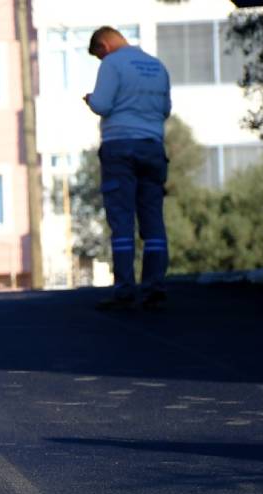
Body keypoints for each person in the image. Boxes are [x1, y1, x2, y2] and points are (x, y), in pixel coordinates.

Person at [84, 26, 172, 310]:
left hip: (119, 147)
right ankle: (154, 287)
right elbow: (165, 109)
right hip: (153, 146)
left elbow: (102, 104)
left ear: (104, 47)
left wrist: (89, 99)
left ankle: (124, 289)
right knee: (153, 219)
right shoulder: (156, 65)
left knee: (121, 219)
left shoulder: (112, 62)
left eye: (98, 55)